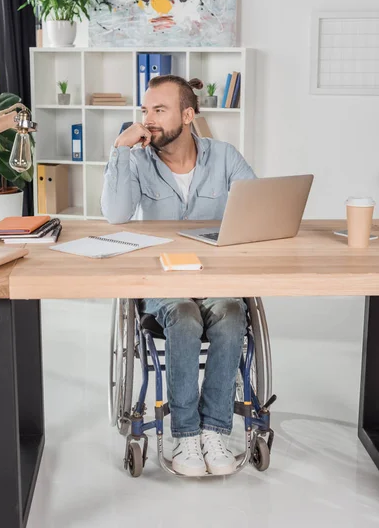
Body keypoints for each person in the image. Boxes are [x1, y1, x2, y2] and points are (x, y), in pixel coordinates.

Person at [101, 75, 256, 476]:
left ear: (188, 115)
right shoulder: (136, 159)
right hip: (164, 286)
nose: (148, 119)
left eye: (159, 110)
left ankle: (215, 430)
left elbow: (257, 213)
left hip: (216, 279)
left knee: (232, 314)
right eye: (145, 110)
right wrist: (120, 149)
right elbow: (116, 214)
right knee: (184, 316)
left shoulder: (225, 157)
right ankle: (186, 435)